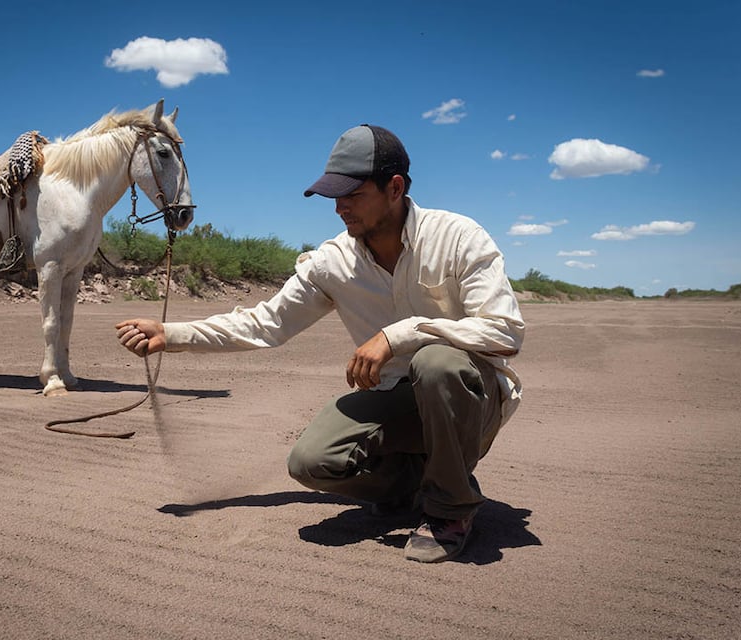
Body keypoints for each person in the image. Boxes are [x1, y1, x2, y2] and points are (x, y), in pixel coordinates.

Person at [116, 124, 524, 563]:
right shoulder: (334, 261)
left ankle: (451, 509)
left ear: (395, 187)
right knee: (312, 461)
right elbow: (266, 322)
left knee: (438, 363)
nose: (340, 209)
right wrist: (172, 334)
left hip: (468, 401)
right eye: (334, 197)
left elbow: (504, 331)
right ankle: (416, 483)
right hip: (398, 399)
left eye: (352, 195)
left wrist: (397, 335)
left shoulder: (458, 238)